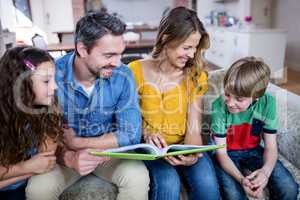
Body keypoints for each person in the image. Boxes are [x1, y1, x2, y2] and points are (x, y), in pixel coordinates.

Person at [25, 12, 149, 200]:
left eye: (120, 54)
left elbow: (131, 133)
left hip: (109, 155)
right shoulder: (51, 76)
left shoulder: (123, 75)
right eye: (109, 55)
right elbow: (40, 139)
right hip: (64, 157)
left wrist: (78, 143)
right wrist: (69, 156)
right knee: (38, 189)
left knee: (138, 176)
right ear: (82, 49)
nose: (117, 63)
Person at [128, 7, 220, 200]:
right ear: (165, 39)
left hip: (182, 146)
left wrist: (191, 155)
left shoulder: (195, 76)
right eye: (186, 48)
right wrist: (146, 133)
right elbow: (127, 120)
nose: (192, 55)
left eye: (195, 48)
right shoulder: (134, 71)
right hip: (150, 151)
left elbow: (193, 125)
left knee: (208, 188)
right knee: (168, 184)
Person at [211, 57, 299, 200]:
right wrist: (241, 179)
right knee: (233, 195)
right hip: (227, 153)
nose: (230, 103)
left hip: (254, 150)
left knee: (289, 188)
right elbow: (221, 153)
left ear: (256, 97)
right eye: (227, 94)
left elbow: (271, 147)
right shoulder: (218, 106)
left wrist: (265, 172)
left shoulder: (268, 103)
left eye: (239, 99)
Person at [0, 46, 63, 200]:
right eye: (46, 81)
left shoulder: (49, 110)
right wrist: (26, 167)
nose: (55, 87)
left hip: (19, 188)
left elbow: (44, 162)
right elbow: (35, 166)